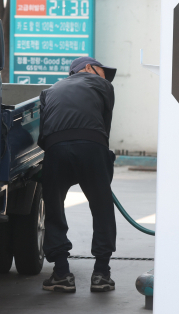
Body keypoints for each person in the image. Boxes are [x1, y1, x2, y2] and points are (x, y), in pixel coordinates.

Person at [38, 56, 117, 293]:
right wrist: (103, 161)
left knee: (53, 206)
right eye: (102, 71)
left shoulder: (49, 91)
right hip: (92, 145)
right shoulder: (103, 87)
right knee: (102, 206)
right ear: (87, 69)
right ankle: (101, 274)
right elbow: (104, 128)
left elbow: (44, 131)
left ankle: (61, 273)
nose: (105, 77)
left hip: (54, 148)